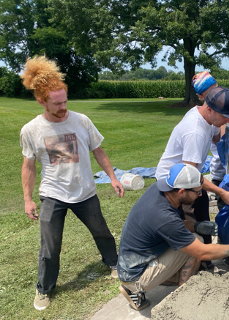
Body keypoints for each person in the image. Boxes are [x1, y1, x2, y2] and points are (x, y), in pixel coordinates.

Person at [19, 56, 124, 311]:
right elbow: (29, 166)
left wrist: (112, 177)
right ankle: (44, 289)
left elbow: (99, 151)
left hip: (85, 192)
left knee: (101, 232)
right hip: (53, 195)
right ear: (41, 101)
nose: (63, 106)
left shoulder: (81, 121)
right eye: (57, 103)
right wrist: (28, 198)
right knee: (50, 246)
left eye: (65, 100)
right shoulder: (31, 130)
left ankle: (114, 264)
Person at [117, 163, 229, 310]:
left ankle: (156, 281)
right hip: (136, 276)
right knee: (196, 243)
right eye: (197, 191)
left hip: (133, 263)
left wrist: (195, 225)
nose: (200, 194)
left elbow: (172, 225)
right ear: (182, 191)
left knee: (191, 238)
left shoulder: (160, 190)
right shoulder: (163, 216)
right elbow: (202, 251)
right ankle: (181, 296)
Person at [155, 85, 229, 246]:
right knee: (191, 230)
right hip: (176, 186)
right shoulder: (194, 132)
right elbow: (190, 177)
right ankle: (197, 264)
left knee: (203, 215)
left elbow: (217, 138)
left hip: (191, 179)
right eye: (225, 116)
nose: (228, 120)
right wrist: (221, 192)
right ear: (210, 109)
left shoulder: (206, 116)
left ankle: (207, 261)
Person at [191, 71, 226, 187]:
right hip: (179, 182)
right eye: (210, 94)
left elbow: (218, 139)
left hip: (220, 171)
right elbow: (189, 171)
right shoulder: (196, 130)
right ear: (200, 97)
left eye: (216, 89)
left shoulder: (214, 117)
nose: (216, 96)